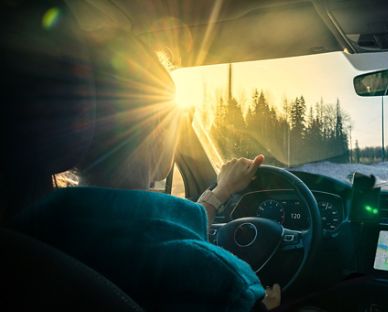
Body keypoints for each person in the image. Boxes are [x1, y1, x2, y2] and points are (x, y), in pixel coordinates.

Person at [3, 2, 280, 310]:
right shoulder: (220, 280)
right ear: (159, 134)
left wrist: (220, 192)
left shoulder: (31, 236)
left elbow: (150, 229)